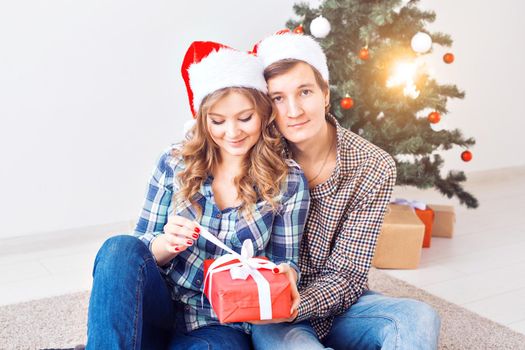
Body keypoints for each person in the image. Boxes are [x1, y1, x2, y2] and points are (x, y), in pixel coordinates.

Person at [86, 41, 310, 349]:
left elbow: (286, 261)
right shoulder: (174, 163)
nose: (232, 132)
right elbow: (138, 249)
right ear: (203, 119)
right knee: (117, 249)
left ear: (263, 113)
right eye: (218, 121)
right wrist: (164, 244)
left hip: (218, 324)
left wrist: (285, 275)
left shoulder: (289, 180)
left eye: (245, 118)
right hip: (155, 306)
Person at [250, 32, 441, 350]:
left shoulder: (373, 165)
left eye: (305, 91)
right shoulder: (257, 156)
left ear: (325, 93)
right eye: (278, 98)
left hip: (342, 306)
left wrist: (303, 303)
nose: (294, 109)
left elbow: (348, 275)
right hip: (275, 315)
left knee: (420, 317)